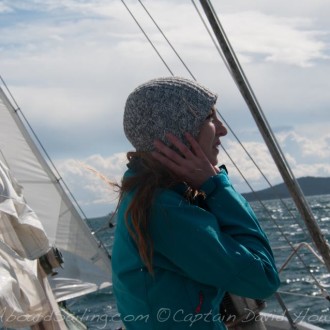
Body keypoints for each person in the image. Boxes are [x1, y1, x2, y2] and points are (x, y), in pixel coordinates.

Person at [111, 76, 280, 329]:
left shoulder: (149, 197)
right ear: (179, 135)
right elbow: (263, 278)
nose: (222, 130)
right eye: (210, 119)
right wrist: (217, 186)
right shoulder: (165, 211)